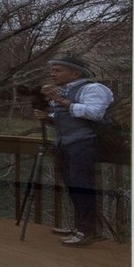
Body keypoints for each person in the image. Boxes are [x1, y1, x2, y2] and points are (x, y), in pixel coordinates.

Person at [36, 54, 114, 247]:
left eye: (58, 70)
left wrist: (60, 100)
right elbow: (68, 119)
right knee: (73, 187)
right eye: (52, 70)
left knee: (83, 187)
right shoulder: (65, 92)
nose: (53, 74)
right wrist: (47, 116)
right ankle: (79, 227)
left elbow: (95, 113)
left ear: (75, 73)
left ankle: (87, 231)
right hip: (66, 145)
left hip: (84, 145)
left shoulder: (93, 89)